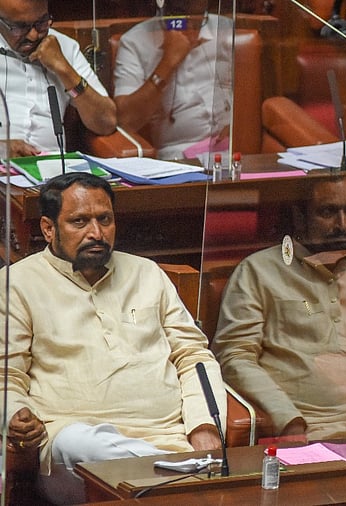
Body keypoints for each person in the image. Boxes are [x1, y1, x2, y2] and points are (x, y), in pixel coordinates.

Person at [1, 172, 227, 504]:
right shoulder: (16, 283)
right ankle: (185, 486)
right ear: (48, 228)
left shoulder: (147, 273)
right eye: (79, 221)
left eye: (104, 219)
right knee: (78, 442)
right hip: (74, 454)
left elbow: (193, 356)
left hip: (170, 441)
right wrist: (15, 415)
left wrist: (204, 426)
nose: (96, 233)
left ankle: (171, 483)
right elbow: (6, 375)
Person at [212, 176, 346, 442]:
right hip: (309, 426)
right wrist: (287, 419)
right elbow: (235, 356)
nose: (342, 225)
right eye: (328, 212)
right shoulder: (259, 271)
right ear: (300, 217)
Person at [114, 0, 233, 160]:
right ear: (165, 11)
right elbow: (126, 120)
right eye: (183, 18)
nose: (191, 26)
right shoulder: (134, 42)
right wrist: (167, 63)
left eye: (198, 18)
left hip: (231, 149)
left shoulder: (226, 29)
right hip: (175, 157)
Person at [0, 0, 116, 157]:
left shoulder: (64, 46)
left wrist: (64, 69)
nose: (33, 35)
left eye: (41, 23)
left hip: (53, 171)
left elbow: (106, 123)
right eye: (21, 27)